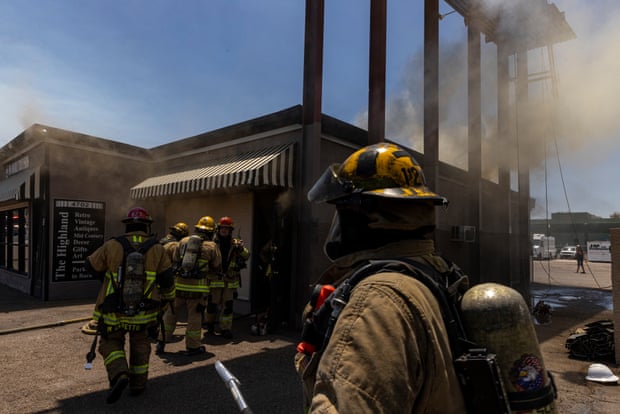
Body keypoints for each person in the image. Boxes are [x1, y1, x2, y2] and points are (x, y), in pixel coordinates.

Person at [294, 143, 468, 413]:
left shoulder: (376, 300)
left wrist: (309, 358)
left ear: (367, 215)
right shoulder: (437, 272)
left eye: (341, 212)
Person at [85, 207, 175, 404]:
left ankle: (119, 374)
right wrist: (168, 300)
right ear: (147, 225)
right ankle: (138, 385)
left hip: (112, 310)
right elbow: (167, 280)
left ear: (127, 225)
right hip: (145, 311)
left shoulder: (112, 245)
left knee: (110, 342)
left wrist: (108, 282)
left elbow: (90, 265)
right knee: (141, 345)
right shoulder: (157, 248)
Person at [161, 216, 221, 355]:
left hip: (179, 286)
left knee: (171, 313)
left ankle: (161, 340)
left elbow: (175, 259)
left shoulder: (183, 241)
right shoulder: (212, 246)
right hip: (197, 289)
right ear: (211, 232)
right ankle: (193, 346)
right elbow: (216, 266)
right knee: (194, 316)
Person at [206, 216, 250, 339]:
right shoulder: (212, 242)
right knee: (211, 305)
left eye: (227, 228)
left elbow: (247, 256)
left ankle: (225, 328)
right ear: (218, 229)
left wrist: (240, 249)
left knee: (228, 306)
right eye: (222, 228)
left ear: (230, 230)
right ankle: (209, 324)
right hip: (215, 279)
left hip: (230, 280)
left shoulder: (235, 243)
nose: (224, 230)